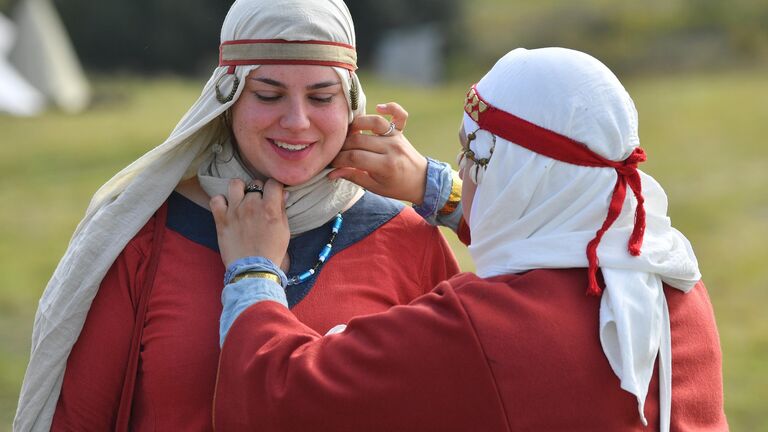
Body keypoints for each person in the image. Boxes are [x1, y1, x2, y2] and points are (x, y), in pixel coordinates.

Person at [211, 47, 728, 431]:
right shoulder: (672, 282)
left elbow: (273, 398)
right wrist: (442, 193)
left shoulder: (478, 331)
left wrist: (254, 268)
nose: (460, 169)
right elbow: (555, 244)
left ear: (517, 177)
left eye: (471, 156)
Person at [13, 0, 462, 430]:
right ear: (226, 101)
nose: (297, 120)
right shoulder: (145, 234)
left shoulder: (406, 240)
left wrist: (439, 189)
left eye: (322, 97)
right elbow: (79, 421)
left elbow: (455, 406)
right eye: (268, 95)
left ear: (351, 104)